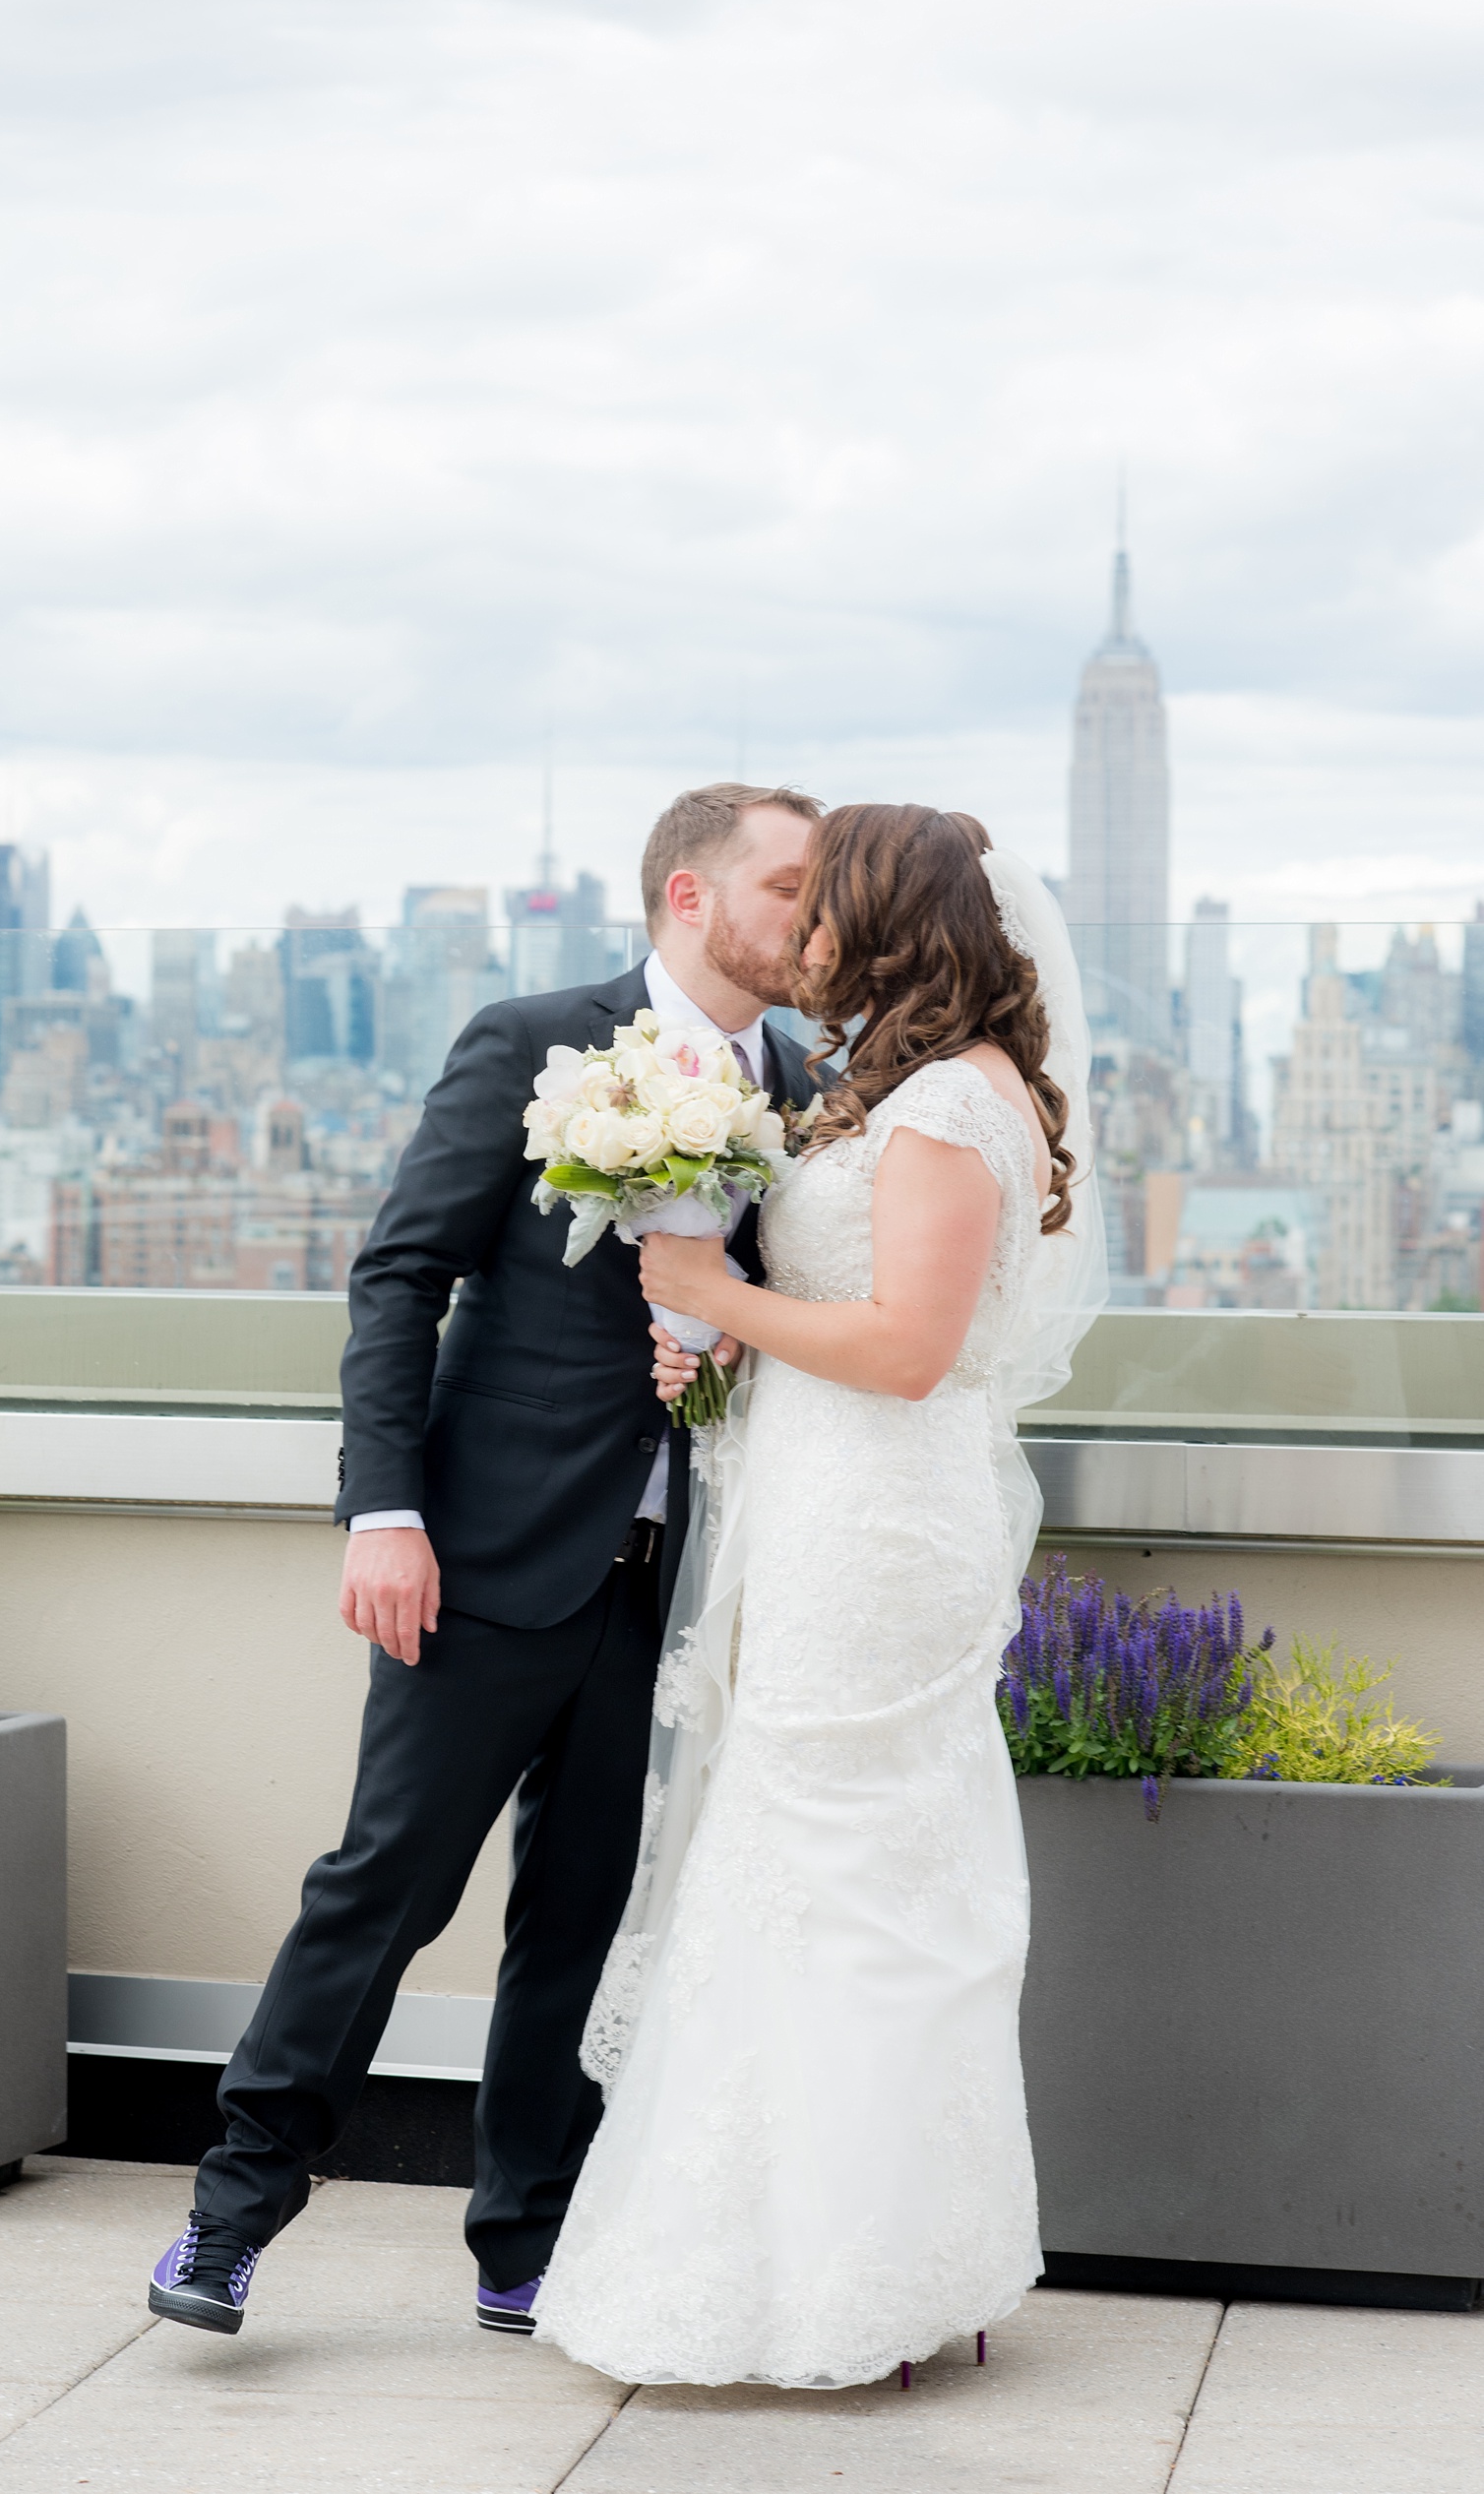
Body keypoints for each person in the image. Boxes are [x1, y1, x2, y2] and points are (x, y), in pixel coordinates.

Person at [146, 781, 822, 2335]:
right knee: (386, 1884)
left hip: (668, 1574)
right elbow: (401, 1275)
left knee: (580, 1911)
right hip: (482, 1557)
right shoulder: (537, 1040)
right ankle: (230, 2213)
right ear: (690, 899)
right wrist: (384, 1511)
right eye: (790, 882)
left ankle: (525, 2238)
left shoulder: (802, 1084)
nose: (815, 914)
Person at [532, 804, 1109, 2388]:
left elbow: (912, 1350)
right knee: (838, 1868)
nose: (808, 933)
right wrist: (726, 1336)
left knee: (845, 1872)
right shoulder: (918, 1089)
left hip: (873, 1529)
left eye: (829, 902)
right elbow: (843, 1313)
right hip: (826, 1499)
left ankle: (845, 2272)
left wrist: (720, 1294)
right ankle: (851, 2254)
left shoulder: (938, 1105)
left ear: (892, 921)